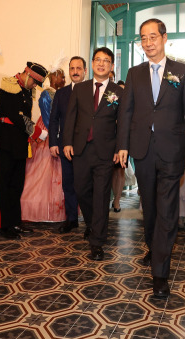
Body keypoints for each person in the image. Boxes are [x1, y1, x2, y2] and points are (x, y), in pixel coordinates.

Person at [117, 18, 185, 299]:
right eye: (143, 38)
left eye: (153, 37)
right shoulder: (134, 73)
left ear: (164, 38)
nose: (148, 42)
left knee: (166, 209)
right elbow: (126, 112)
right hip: (142, 149)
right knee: (149, 207)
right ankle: (154, 246)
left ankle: (160, 273)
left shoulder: (182, 72)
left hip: (172, 149)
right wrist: (123, 145)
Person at [63, 47, 123, 261]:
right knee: (81, 190)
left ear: (111, 66)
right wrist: (67, 142)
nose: (101, 64)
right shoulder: (80, 89)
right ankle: (91, 223)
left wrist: (119, 148)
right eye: (98, 60)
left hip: (105, 151)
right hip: (80, 149)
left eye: (106, 61)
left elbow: (122, 123)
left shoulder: (118, 91)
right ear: (93, 63)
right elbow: (70, 117)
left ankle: (97, 241)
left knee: (101, 196)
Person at [0, 62, 48, 240]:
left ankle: (14, 222)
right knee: (2, 185)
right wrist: (37, 132)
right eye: (34, 83)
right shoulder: (9, 84)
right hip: (4, 140)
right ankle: (3, 226)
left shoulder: (25, 90)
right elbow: (16, 116)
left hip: (18, 142)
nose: (34, 87)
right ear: (28, 75)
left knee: (16, 185)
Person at [20, 67, 66, 222]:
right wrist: (56, 134)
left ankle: (54, 210)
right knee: (42, 171)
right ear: (55, 77)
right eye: (62, 76)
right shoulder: (47, 93)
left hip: (55, 128)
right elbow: (48, 117)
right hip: (47, 131)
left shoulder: (57, 92)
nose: (64, 79)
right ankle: (41, 209)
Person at [50, 57, 86, 234]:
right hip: (65, 147)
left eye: (79, 68)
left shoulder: (91, 92)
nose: (75, 71)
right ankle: (71, 220)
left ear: (85, 71)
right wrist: (53, 143)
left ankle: (91, 223)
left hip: (87, 149)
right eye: (72, 68)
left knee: (86, 186)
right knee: (68, 185)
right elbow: (54, 119)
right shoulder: (61, 93)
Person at [110, 80, 127, 213]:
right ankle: (111, 198)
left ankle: (117, 200)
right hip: (109, 138)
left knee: (120, 170)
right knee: (110, 171)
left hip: (122, 138)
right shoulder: (110, 97)